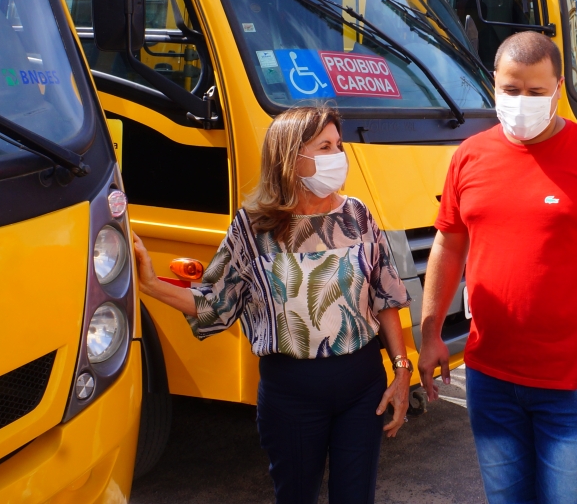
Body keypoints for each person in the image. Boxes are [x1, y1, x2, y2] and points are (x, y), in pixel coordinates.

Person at [416, 31, 577, 504]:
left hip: (572, 383)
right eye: (511, 91)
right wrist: (429, 335)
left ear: (558, 87)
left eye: (535, 92)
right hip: (489, 376)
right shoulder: (468, 157)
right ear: (494, 85)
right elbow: (448, 246)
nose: (521, 102)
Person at [132, 105, 412, 504]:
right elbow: (218, 305)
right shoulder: (253, 226)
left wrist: (401, 372)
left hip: (362, 384)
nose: (338, 157)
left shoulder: (357, 215)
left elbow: (386, 296)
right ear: (290, 156)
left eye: (338, 145)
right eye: (324, 146)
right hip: (291, 392)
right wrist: (150, 286)